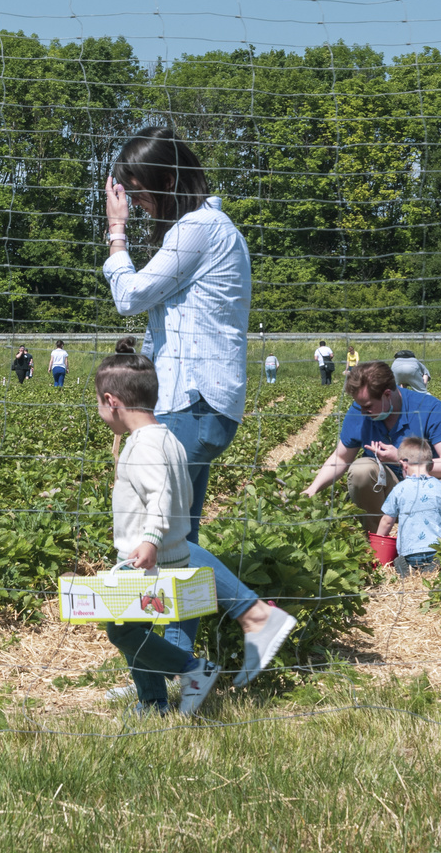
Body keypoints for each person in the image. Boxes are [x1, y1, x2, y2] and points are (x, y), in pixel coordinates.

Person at [103, 126, 261, 659]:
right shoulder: (203, 228)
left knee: (167, 537)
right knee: (179, 541)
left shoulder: (198, 227)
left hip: (193, 402)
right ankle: (180, 668)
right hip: (192, 400)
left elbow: (130, 295)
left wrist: (116, 233)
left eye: (142, 193)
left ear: (169, 180)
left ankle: (255, 615)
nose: (140, 205)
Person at [94, 353, 296, 714]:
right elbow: (180, 494)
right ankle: (153, 702)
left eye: (98, 404)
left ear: (112, 402)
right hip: (171, 553)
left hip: (145, 560)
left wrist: (150, 540)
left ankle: (191, 670)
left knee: (122, 630)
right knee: (135, 629)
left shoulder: (141, 446)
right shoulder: (168, 438)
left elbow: (160, 495)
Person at [298, 361, 441, 535]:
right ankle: (375, 538)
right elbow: (341, 457)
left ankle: (427, 544)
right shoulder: (360, 410)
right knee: (361, 470)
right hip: (387, 486)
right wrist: (313, 488)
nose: (362, 412)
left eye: (368, 406)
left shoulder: (428, 407)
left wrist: (401, 459)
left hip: (427, 484)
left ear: (387, 394)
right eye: (360, 405)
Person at [375, 437, 441, 572]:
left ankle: (406, 568)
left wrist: (378, 546)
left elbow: (387, 522)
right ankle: (434, 566)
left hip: (410, 553)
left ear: (404, 465)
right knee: (438, 566)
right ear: (431, 465)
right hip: (437, 551)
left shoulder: (400, 489)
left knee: (400, 563)